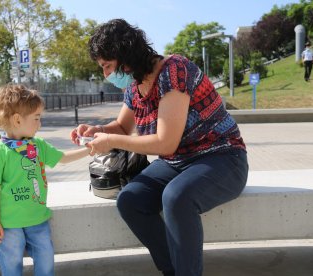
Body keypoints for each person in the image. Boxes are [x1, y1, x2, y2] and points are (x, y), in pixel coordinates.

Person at [70, 19, 249, 276]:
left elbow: (166, 142)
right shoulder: (134, 86)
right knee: (130, 201)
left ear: (125, 56)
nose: (106, 75)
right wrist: (97, 131)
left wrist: (110, 142)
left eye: (107, 66)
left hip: (222, 157)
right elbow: (122, 127)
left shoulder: (174, 71)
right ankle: (173, 270)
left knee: (177, 198)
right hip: (178, 161)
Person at [0, 84, 91, 276]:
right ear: (16, 120)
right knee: (11, 261)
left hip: (38, 218)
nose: (40, 124)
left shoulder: (38, 145)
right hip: (9, 224)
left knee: (45, 258)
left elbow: (63, 158)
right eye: (36, 118)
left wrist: (90, 149)